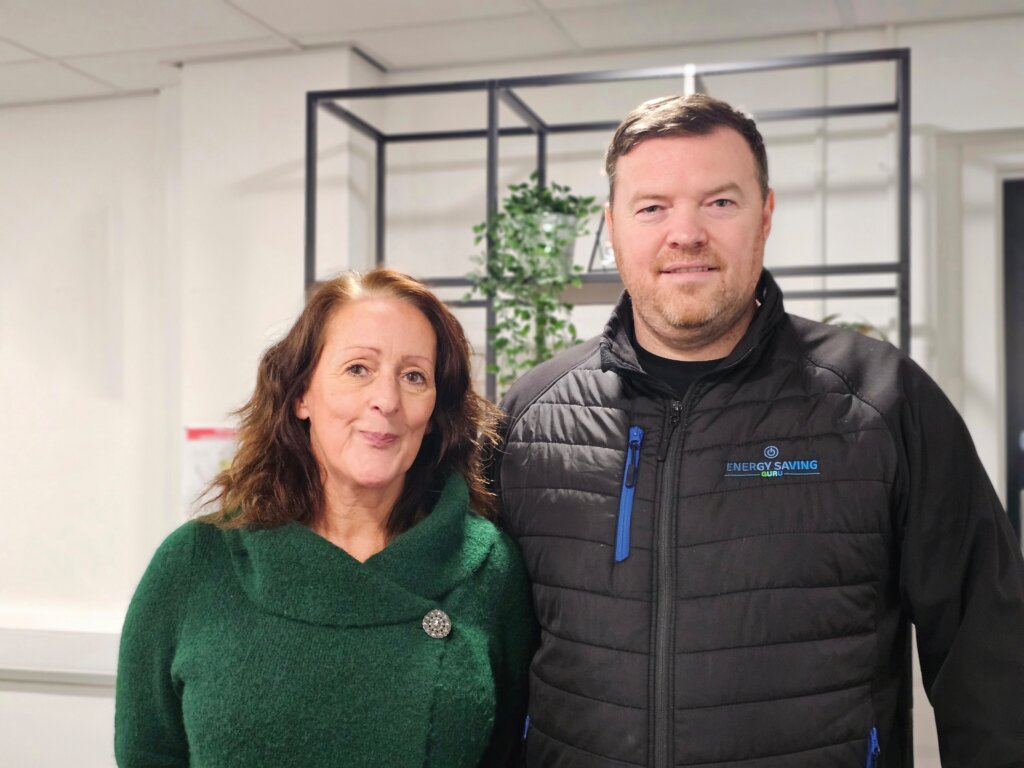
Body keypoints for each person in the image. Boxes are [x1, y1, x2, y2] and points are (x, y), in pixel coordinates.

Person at [497, 94, 1024, 768]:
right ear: (613, 227)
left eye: (719, 202)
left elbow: (990, 653)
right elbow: (488, 660)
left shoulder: (880, 400)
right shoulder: (531, 416)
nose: (685, 233)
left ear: (765, 215)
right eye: (652, 207)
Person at [116, 268, 536, 767]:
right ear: (301, 395)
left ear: (433, 415)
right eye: (358, 369)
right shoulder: (193, 564)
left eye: (414, 376)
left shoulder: (490, 570)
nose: (386, 400)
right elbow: (147, 755)